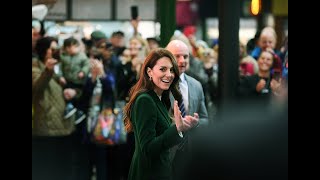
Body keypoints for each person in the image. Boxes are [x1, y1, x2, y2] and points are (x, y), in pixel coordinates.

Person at [123, 48, 199, 180]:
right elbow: (148, 149)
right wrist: (177, 129)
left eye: (171, 70)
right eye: (163, 69)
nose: (169, 74)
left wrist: (182, 127)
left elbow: (163, 139)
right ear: (149, 72)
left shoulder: (159, 98)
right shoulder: (145, 100)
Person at [32, 36, 76, 180]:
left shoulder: (59, 67)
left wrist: (71, 91)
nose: (56, 51)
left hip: (63, 125)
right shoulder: (36, 66)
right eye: (52, 49)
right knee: (46, 169)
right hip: (46, 128)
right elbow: (37, 87)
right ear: (44, 51)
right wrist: (48, 70)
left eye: (57, 48)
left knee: (62, 168)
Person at [166, 39, 209, 179]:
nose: (182, 60)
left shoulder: (196, 85)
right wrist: (177, 125)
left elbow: (205, 119)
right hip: (167, 149)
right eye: (177, 56)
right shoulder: (159, 85)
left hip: (191, 150)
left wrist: (195, 123)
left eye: (185, 56)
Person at [58, 37, 90, 124]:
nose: (72, 49)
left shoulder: (82, 56)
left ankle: (79, 111)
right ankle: (69, 106)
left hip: (79, 81)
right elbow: (59, 68)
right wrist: (60, 76)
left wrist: (83, 72)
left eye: (74, 46)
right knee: (67, 93)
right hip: (67, 81)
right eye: (69, 47)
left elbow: (87, 65)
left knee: (79, 95)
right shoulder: (63, 57)